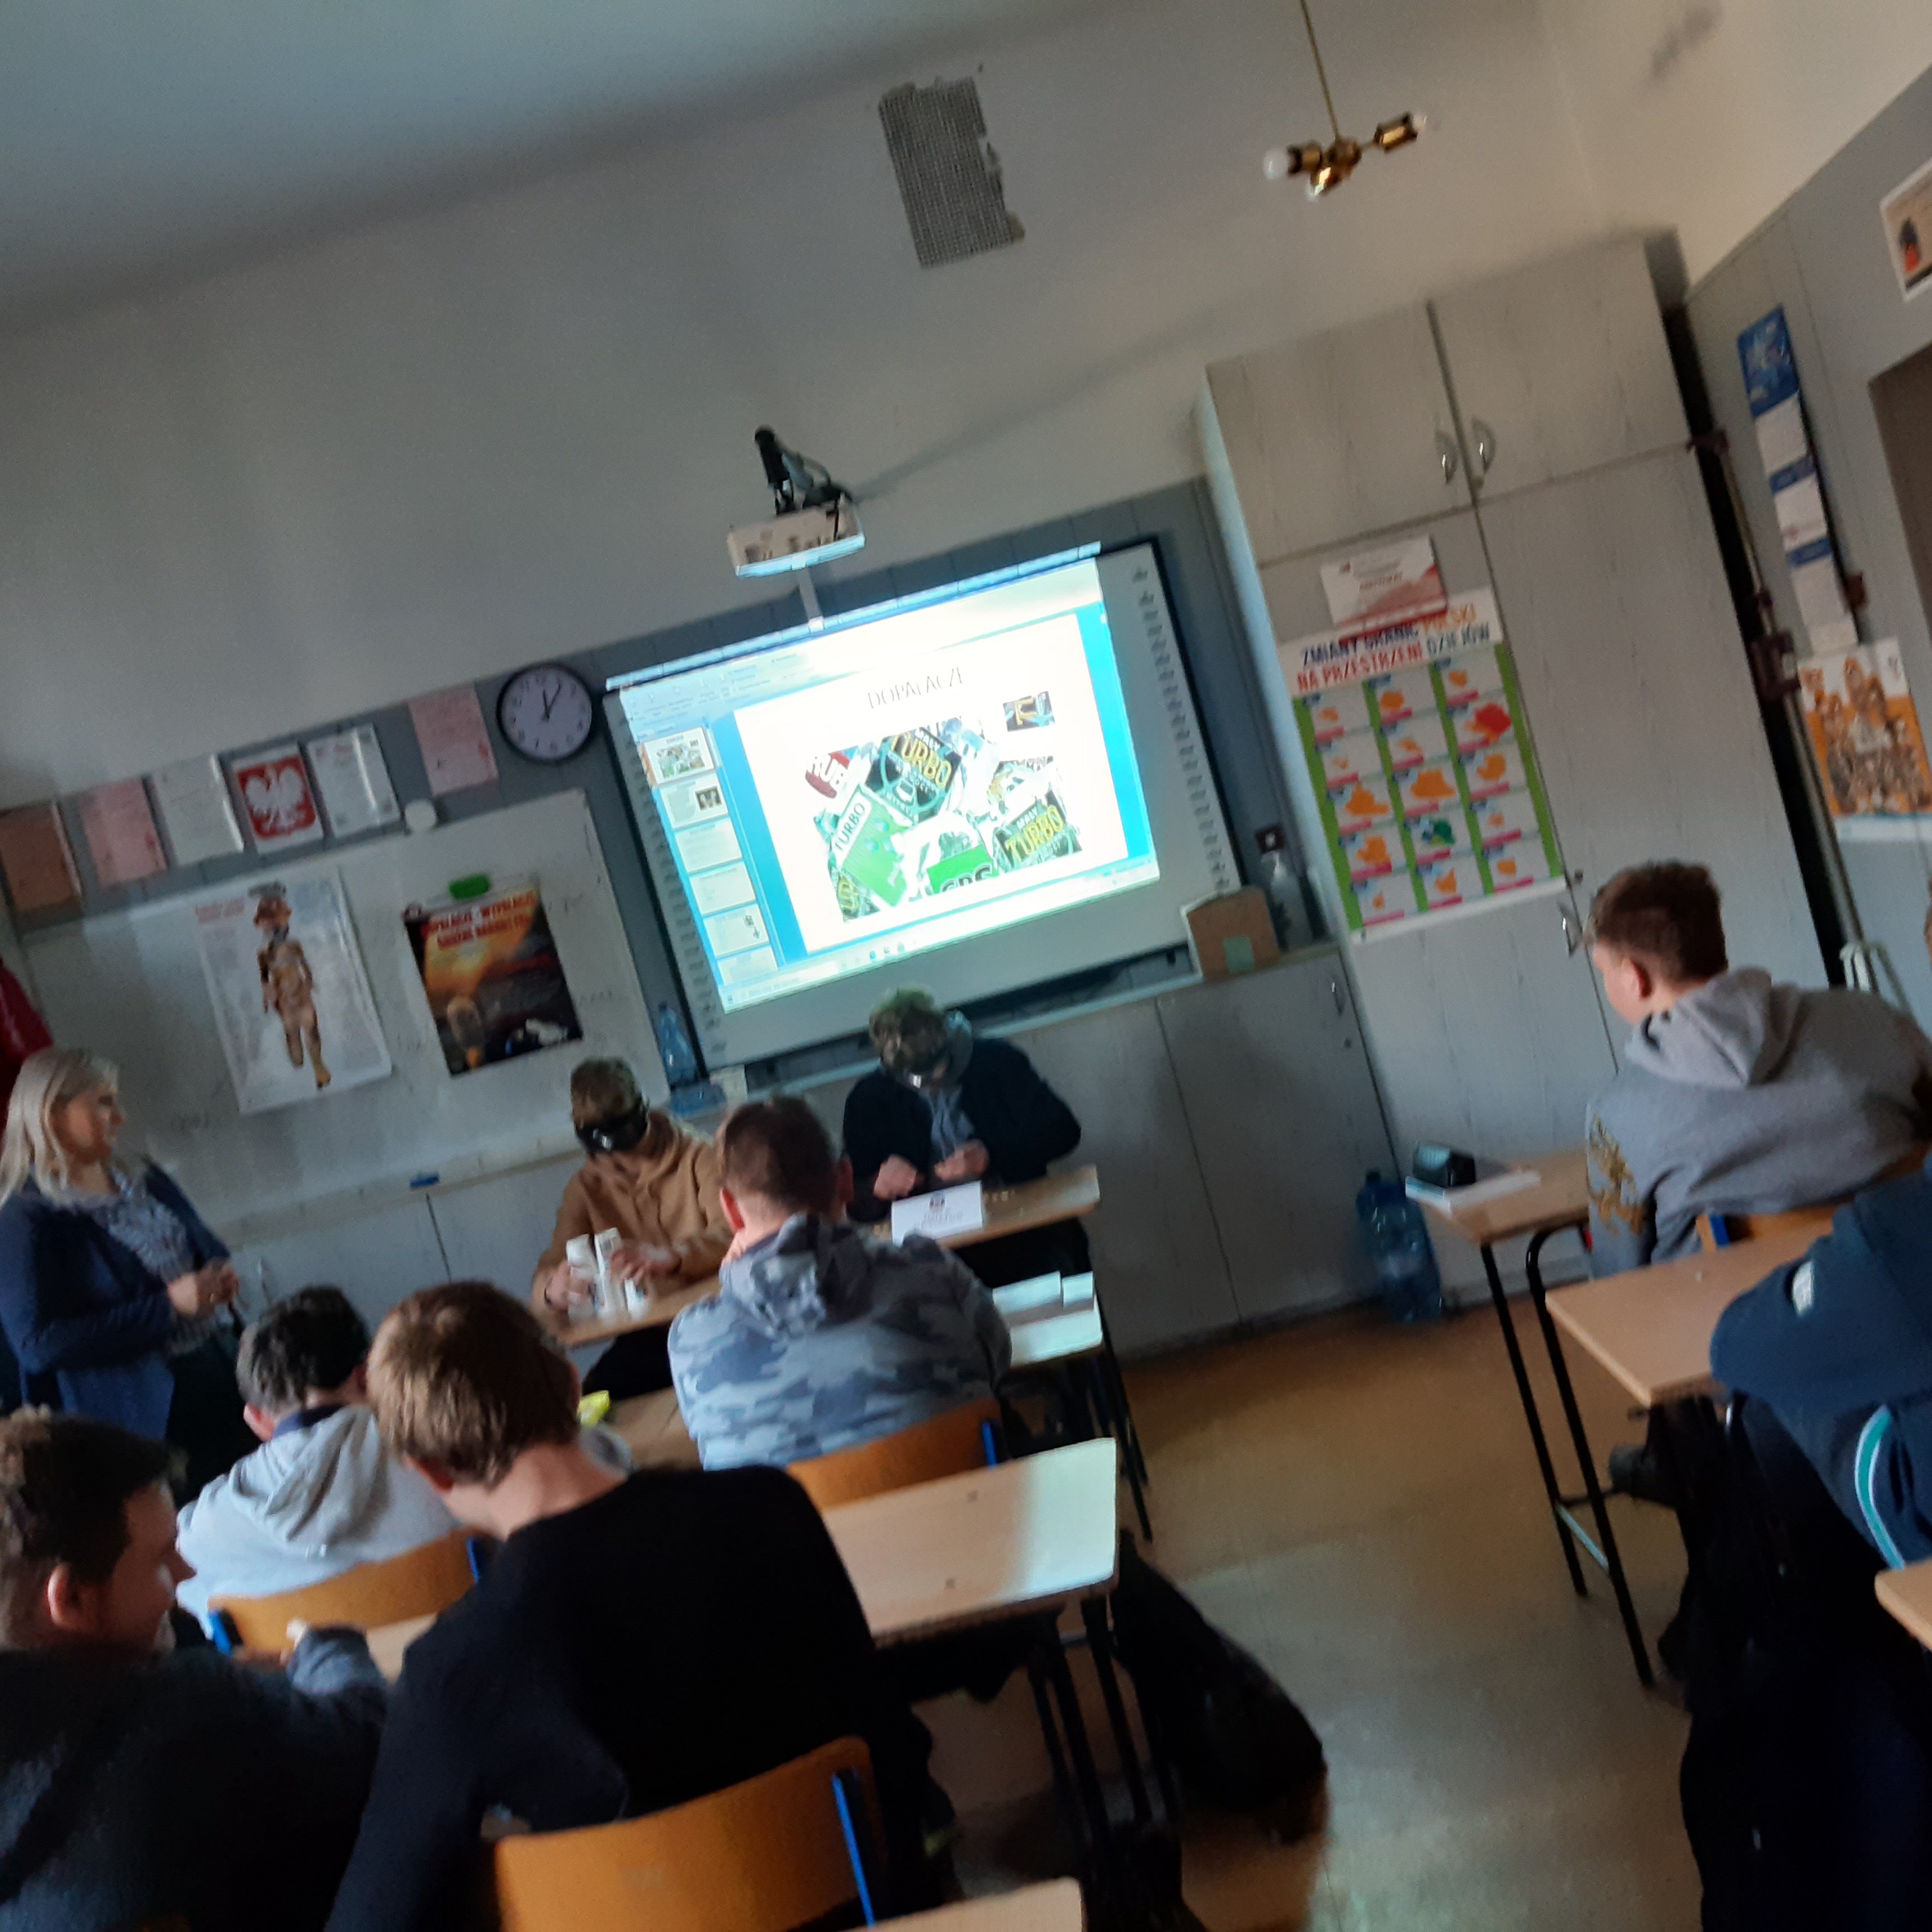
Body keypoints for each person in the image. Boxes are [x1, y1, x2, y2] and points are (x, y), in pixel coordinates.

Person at [323, 1281, 934, 1930]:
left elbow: (375, 1916)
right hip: (864, 1909)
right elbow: (891, 1743)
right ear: (570, 1385)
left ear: (430, 1470)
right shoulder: (768, 1505)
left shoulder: (454, 1670)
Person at [0, 1409, 387, 1931]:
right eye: (161, 1558)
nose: (187, 1571)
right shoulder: (184, 1713)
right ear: (71, 1599)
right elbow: (371, 1737)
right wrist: (326, 1649)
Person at [1583, 863, 1932, 1275]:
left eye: (1605, 972)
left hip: (1738, 1309)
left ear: (1633, 978)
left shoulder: (1617, 1113)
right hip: (1912, 1277)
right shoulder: (1869, 1016)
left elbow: (1617, 1273)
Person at [669, 1098, 1010, 1470]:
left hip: (790, 1512)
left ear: (731, 1210)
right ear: (845, 1180)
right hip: (961, 1503)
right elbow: (997, 1358)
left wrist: (733, 1284)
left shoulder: (693, 1340)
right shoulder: (932, 1272)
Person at [0, 1047, 254, 1498]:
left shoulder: (141, 1175)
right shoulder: (26, 1216)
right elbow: (38, 1345)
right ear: (52, 1114)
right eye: (102, 1103)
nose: (119, 1117)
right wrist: (168, 1307)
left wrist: (216, 1276)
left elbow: (201, 1244)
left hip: (224, 1368)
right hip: (146, 1415)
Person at [173, 1286, 454, 1628]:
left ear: (257, 1419)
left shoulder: (205, 1529)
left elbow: (191, 1594)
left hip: (316, 1664)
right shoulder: (440, 1451)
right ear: (368, 1378)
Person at [843, 988, 1086, 1285]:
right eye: (914, 1080)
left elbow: (1063, 1130)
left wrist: (991, 1155)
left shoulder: (996, 1061)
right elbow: (854, 1202)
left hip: (1022, 1231)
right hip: (932, 1255)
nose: (930, 1086)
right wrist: (877, 1185)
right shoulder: (869, 1100)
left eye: (938, 1072)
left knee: (1060, 1263)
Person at [529, 1057, 732, 1398]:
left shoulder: (699, 1156)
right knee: (589, 1405)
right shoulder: (585, 1189)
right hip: (651, 1335)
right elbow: (549, 1271)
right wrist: (553, 1290)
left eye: (625, 1140)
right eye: (604, 1147)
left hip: (716, 1317)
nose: (619, 1159)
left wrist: (674, 1257)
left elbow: (736, 1232)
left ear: (643, 1112)